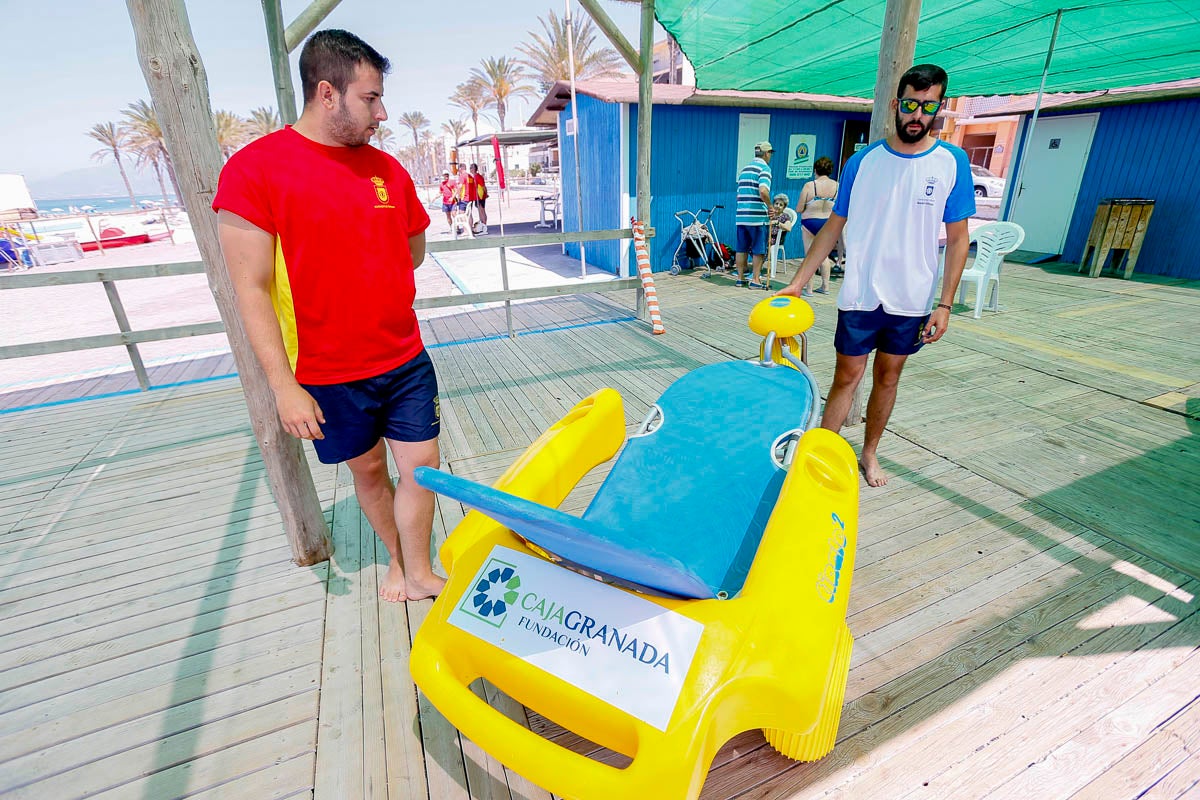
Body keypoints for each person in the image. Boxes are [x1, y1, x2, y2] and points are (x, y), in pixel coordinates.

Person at [213, 29, 446, 602]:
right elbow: (251, 289)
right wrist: (282, 387)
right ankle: (400, 562)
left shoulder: (387, 169)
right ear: (327, 93)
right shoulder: (254, 170)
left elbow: (413, 249)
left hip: (404, 355)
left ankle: (418, 571)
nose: (382, 112)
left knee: (422, 467)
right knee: (368, 472)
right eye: (370, 98)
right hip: (326, 370)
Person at [779, 63, 975, 488]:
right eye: (910, 104)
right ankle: (817, 459)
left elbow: (958, 239)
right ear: (896, 104)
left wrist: (945, 305)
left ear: (939, 107)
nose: (917, 115)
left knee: (889, 377)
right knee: (845, 378)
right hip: (861, 295)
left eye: (927, 106)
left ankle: (868, 455)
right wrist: (799, 281)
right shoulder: (862, 162)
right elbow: (833, 226)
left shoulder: (951, 162)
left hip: (913, 299)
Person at [733, 140, 774, 288]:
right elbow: (763, 191)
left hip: (741, 215)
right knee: (758, 249)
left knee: (741, 248)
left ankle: (740, 278)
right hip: (756, 217)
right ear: (766, 153)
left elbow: (738, 195)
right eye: (770, 153)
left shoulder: (745, 169)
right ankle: (756, 279)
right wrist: (770, 206)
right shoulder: (764, 169)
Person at [797, 156, 839, 296]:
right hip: (827, 223)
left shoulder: (810, 185)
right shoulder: (836, 185)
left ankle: (808, 289)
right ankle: (825, 287)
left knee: (810, 255)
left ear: (815, 170)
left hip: (810, 222)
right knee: (823, 255)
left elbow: (799, 208)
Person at [767, 193, 795, 279]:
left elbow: (788, 228)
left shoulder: (785, 217)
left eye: (781, 205)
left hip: (776, 239)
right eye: (776, 203)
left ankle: (756, 271)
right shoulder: (769, 214)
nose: (778, 206)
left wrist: (778, 223)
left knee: (761, 244)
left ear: (784, 207)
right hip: (765, 237)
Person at [465, 163, 489, 233]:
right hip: (476, 196)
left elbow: (483, 186)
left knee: (482, 211)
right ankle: (482, 225)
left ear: (475, 169)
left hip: (480, 196)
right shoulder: (473, 177)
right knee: (480, 210)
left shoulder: (478, 177)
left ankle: (484, 225)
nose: (470, 169)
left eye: (471, 168)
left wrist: (486, 193)